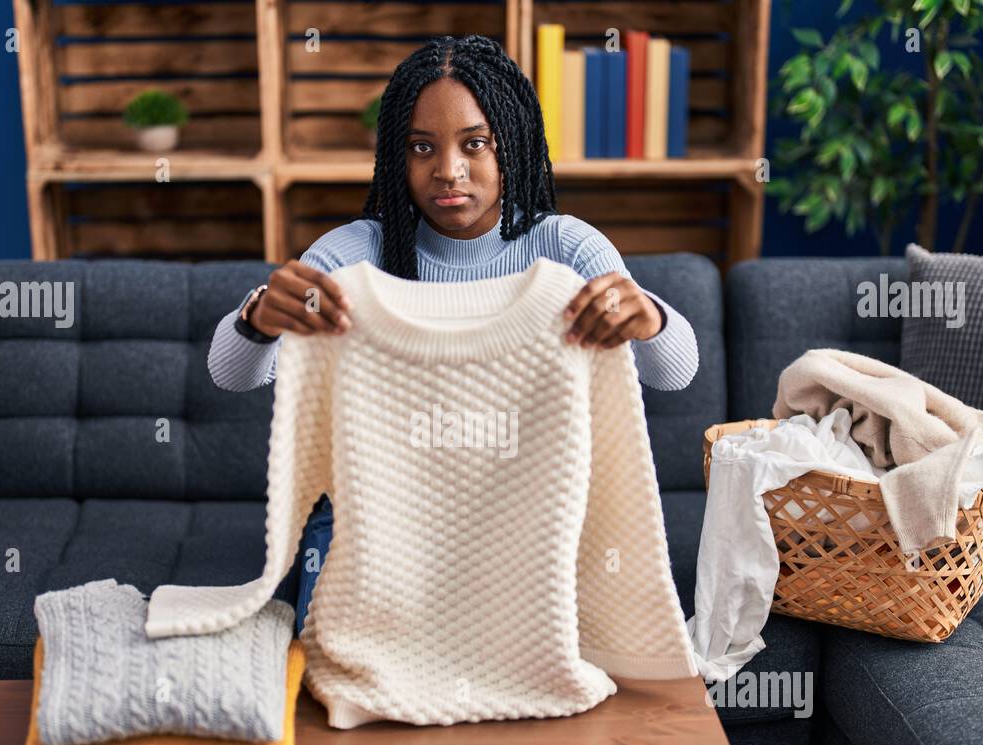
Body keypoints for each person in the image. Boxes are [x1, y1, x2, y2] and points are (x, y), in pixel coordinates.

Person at [206, 34, 701, 636]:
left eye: (476, 144)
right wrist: (260, 315)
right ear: (397, 156)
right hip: (375, 520)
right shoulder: (356, 255)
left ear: (510, 145)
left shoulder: (567, 248)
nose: (448, 171)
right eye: (422, 147)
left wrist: (645, 313)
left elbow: (674, 372)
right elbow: (231, 374)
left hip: (524, 511)